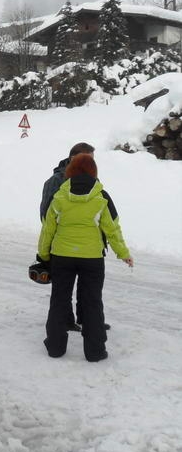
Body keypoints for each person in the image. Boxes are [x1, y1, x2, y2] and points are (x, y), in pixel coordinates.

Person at [37, 154, 132, 362]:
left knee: (59, 300)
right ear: (93, 171)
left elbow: (47, 230)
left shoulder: (59, 197)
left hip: (62, 256)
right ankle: (95, 351)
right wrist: (123, 253)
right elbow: (112, 229)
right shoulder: (101, 197)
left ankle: (55, 347)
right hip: (92, 259)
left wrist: (43, 255)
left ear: (70, 171)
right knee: (92, 302)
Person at [39, 142, 113, 333]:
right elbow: (46, 214)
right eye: (87, 158)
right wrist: (49, 246)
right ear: (74, 158)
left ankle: (87, 319)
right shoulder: (56, 181)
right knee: (62, 290)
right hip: (62, 244)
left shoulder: (89, 177)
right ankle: (66, 320)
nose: (91, 163)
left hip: (89, 244)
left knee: (87, 289)